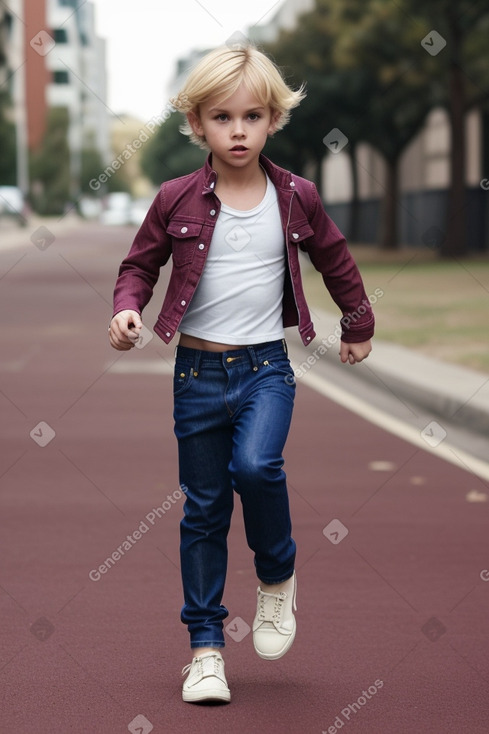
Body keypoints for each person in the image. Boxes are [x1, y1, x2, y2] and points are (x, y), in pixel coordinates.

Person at [108, 44, 374, 705]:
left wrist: (357, 322)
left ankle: (277, 575)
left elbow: (334, 259)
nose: (237, 131)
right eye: (221, 117)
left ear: (272, 121)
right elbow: (138, 266)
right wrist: (126, 310)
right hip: (195, 373)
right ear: (196, 123)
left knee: (256, 469)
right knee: (202, 511)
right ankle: (204, 651)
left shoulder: (295, 198)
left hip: (265, 369)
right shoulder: (174, 199)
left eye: (251, 116)